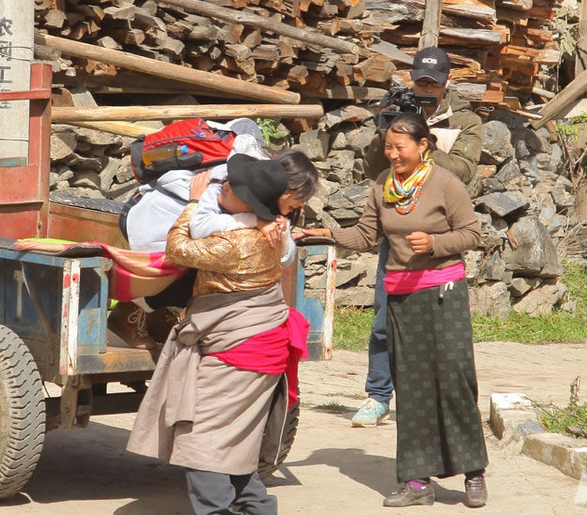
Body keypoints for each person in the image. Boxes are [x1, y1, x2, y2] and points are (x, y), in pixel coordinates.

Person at [298, 112, 488, 508]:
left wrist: (435, 243)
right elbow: (367, 234)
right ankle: (417, 480)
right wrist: (325, 234)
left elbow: (472, 233)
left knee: (454, 378)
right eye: (387, 147)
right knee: (412, 386)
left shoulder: (446, 184)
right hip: (401, 296)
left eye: (400, 147)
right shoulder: (383, 185)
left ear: (423, 146)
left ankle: (473, 471)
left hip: (443, 293)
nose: (392, 154)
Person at [127, 154, 313, 515]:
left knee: (202, 440)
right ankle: (259, 509)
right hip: (260, 343)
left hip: (240, 351)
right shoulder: (273, 229)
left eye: (230, 187)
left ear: (248, 203)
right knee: (233, 442)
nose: (221, 187)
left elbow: (177, 248)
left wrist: (195, 202)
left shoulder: (238, 240)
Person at [351, 46, 483, 428]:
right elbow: (373, 168)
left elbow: (464, 170)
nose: (426, 89)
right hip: (395, 231)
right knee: (382, 319)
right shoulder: (398, 109)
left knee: (437, 329)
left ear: (447, 82)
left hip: (438, 236)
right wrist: (388, 132)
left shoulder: (465, 119)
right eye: (420, 81)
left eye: (433, 83)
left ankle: (431, 398)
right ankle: (377, 396)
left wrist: (422, 141)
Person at [109, 146, 318, 348]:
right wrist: (252, 220)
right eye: (299, 195)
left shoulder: (275, 209)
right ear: (282, 185)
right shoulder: (225, 183)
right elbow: (198, 229)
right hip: (153, 225)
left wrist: (281, 235)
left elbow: (286, 256)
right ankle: (130, 312)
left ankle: (157, 315)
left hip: (186, 235)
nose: (301, 204)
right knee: (199, 272)